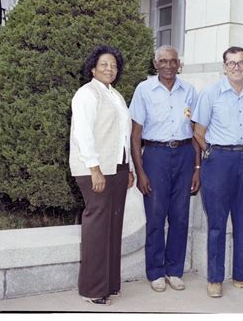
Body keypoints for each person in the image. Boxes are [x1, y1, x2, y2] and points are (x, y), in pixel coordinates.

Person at [192, 46, 243, 298]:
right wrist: (213, 154)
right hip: (219, 161)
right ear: (224, 66)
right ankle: (215, 278)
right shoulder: (211, 94)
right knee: (216, 222)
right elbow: (198, 132)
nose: (236, 67)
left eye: (240, 63)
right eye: (231, 63)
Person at [129, 45, 201, 292]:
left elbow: (195, 132)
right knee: (156, 216)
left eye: (173, 61)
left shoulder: (189, 91)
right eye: (163, 61)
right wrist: (140, 171)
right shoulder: (144, 90)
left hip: (184, 154)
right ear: (155, 63)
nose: (168, 66)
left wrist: (197, 167)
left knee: (180, 216)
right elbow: (135, 135)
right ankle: (156, 271)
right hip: (156, 155)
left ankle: (174, 270)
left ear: (178, 64)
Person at [69, 45, 134, 305]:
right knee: (97, 227)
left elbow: (122, 135)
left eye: (114, 65)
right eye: (104, 64)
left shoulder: (115, 95)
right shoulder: (87, 94)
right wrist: (94, 169)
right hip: (94, 169)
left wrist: (126, 167)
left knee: (113, 225)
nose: (110, 69)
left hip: (116, 167)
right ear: (93, 68)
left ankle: (110, 283)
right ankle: (93, 289)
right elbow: (83, 134)